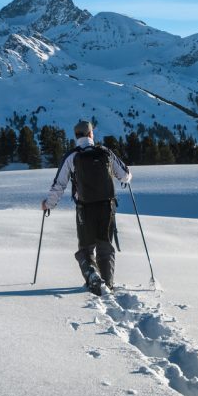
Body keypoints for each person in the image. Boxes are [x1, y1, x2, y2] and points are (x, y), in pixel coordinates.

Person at [43, 120, 131, 294]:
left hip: (84, 208)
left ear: (76, 136)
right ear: (91, 134)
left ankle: (93, 276)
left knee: (86, 248)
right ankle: (108, 283)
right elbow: (126, 175)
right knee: (105, 246)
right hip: (107, 207)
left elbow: (59, 184)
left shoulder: (72, 156)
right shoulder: (105, 152)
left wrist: (48, 204)